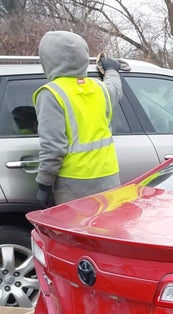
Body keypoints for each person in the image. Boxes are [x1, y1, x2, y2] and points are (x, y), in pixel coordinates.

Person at [33, 30, 124, 208]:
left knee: (78, 226)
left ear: (48, 60)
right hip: (109, 175)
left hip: (74, 182)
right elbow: (115, 88)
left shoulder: (51, 94)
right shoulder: (99, 88)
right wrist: (111, 69)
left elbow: (53, 147)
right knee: (106, 224)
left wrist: (44, 184)